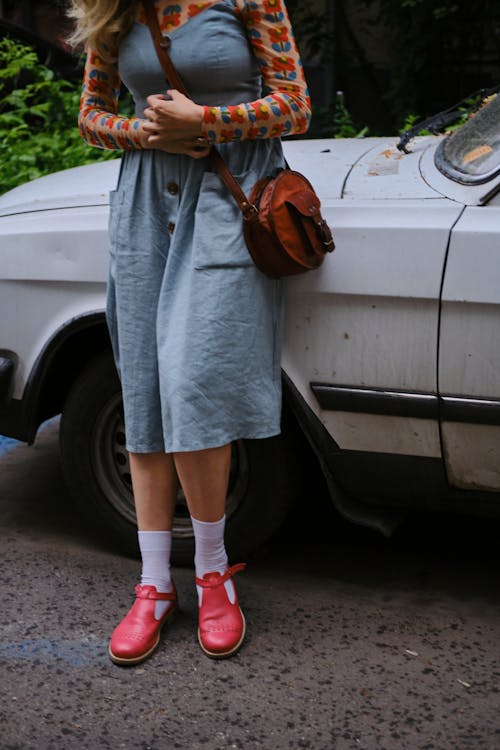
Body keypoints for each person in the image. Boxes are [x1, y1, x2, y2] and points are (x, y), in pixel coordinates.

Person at [68, 0, 311, 664]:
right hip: (147, 202)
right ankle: (152, 585)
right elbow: (90, 118)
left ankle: (211, 573)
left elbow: (296, 105)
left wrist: (207, 121)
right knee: (144, 384)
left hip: (229, 202)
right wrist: (146, 134)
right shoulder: (113, 7)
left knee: (191, 381)